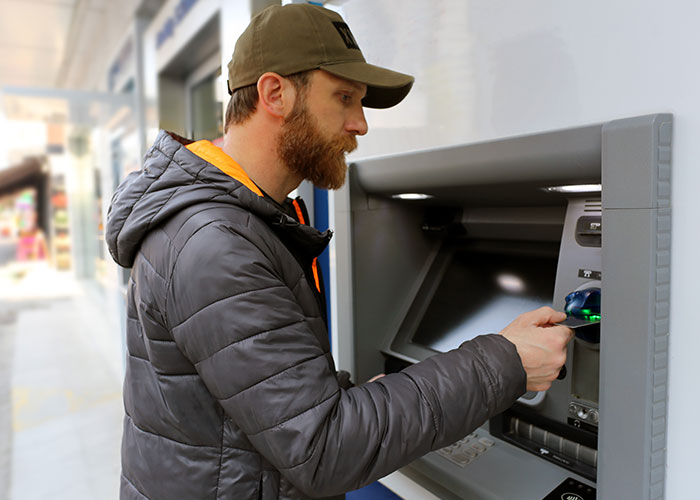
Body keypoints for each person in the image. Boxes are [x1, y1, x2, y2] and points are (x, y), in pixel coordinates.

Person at [106, 4, 572, 500]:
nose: (361, 124)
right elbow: (325, 450)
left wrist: (360, 399)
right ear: (274, 93)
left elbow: (255, 404)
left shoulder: (241, 221)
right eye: (345, 97)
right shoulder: (216, 244)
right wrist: (507, 363)